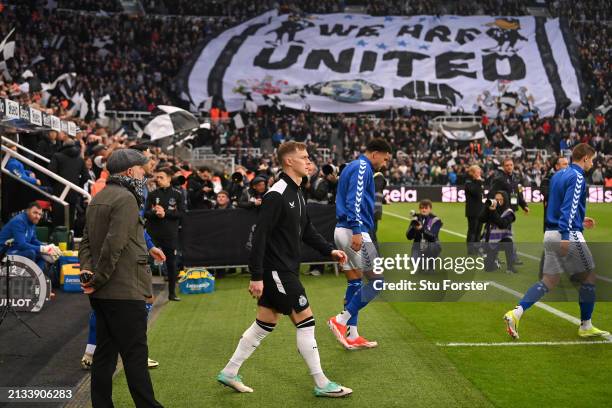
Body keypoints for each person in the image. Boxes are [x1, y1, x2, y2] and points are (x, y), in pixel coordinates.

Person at [216, 141, 352, 398]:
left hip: (283, 268)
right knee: (306, 322)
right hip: (277, 270)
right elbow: (259, 238)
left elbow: (307, 229)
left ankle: (230, 371)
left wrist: (329, 250)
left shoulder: (297, 191)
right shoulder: (276, 194)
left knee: (264, 324)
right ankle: (322, 383)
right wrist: (256, 276)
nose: (308, 161)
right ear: (289, 161)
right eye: (303, 157)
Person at [79, 149, 163, 408]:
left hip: (104, 293)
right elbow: (113, 245)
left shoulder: (100, 196)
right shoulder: (126, 199)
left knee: (104, 354)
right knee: (135, 355)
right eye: (140, 169)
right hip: (124, 289)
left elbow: (86, 244)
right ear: (129, 172)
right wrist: (98, 279)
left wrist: (88, 275)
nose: (143, 173)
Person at [503, 143, 609, 340]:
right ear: (585, 158)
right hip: (565, 233)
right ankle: (586, 325)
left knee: (549, 280)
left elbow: (558, 205)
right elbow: (567, 208)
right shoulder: (577, 176)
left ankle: (515, 313)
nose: (592, 163)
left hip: (551, 232)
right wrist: (568, 234)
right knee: (589, 277)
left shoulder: (558, 174)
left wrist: (580, 220)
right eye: (592, 159)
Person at [328, 138, 392, 350]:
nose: (384, 163)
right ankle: (340, 320)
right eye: (384, 158)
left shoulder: (352, 166)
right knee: (378, 281)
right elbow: (353, 200)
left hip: (342, 229)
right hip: (354, 230)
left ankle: (352, 334)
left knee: (354, 281)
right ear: (375, 154)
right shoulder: (363, 167)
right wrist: (357, 230)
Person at [145, 167, 184, 301]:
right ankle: (146, 293)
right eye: (157, 177)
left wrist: (165, 213)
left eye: (161, 177)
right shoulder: (152, 194)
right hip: (153, 234)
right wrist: (156, 213)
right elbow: (145, 213)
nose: (158, 180)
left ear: (168, 178)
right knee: (146, 263)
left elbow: (182, 213)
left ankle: (172, 293)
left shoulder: (177, 194)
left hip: (169, 234)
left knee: (171, 264)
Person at [488, 157, 528, 265]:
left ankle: (494, 257)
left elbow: (518, 194)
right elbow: (491, 194)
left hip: (511, 211)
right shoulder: (499, 179)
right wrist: (494, 207)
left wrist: (524, 205)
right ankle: (510, 258)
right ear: (503, 166)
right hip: (501, 212)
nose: (509, 167)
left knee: (504, 235)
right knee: (505, 235)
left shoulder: (515, 178)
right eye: (507, 165)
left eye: (511, 165)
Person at [0, 202, 61, 273]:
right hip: (4, 252)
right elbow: (22, 244)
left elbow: (33, 239)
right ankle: (29, 278)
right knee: (31, 253)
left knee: (44, 256)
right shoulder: (19, 221)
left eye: (40, 214)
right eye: (35, 213)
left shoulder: (32, 222)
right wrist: (42, 249)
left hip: (16, 249)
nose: (37, 216)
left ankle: (36, 278)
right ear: (27, 211)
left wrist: (47, 247)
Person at [48, 138, 90, 229]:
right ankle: (69, 240)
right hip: (73, 192)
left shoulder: (57, 156)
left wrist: (54, 185)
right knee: (70, 220)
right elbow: (86, 177)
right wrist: (77, 186)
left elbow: (51, 173)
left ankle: (58, 240)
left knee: (58, 220)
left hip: (59, 192)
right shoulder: (80, 159)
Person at [538, 156, 569, 278]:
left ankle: (575, 273)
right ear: (556, 166)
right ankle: (543, 273)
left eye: (568, 164)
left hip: (566, 218)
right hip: (552, 219)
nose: (567, 166)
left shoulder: (569, 179)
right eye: (564, 164)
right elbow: (545, 192)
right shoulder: (548, 178)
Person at [480, 191, 516, 273]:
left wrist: (493, 212)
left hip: (503, 239)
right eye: (496, 199)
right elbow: (481, 219)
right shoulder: (491, 208)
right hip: (490, 240)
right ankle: (495, 262)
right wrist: (486, 209)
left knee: (508, 243)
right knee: (488, 269)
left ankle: (510, 267)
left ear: (505, 200)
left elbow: (502, 224)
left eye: (501, 199)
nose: (498, 201)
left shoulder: (509, 212)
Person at [405, 199, 442, 273]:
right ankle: (421, 265)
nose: (424, 210)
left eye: (426, 208)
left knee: (432, 247)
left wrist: (421, 229)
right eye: (422, 208)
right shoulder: (416, 219)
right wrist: (413, 227)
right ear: (419, 209)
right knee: (413, 261)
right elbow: (409, 237)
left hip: (432, 245)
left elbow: (433, 236)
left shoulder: (436, 220)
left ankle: (431, 265)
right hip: (418, 245)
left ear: (430, 209)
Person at [465, 165, 484, 255]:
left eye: (479, 171)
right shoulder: (468, 183)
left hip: (480, 210)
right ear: (472, 173)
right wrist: (479, 181)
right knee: (472, 230)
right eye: (477, 172)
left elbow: (481, 195)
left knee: (479, 230)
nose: (479, 173)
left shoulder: (478, 182)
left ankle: (477, 248)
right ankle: (470, 250)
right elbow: (476, 192)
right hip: (472, 211)